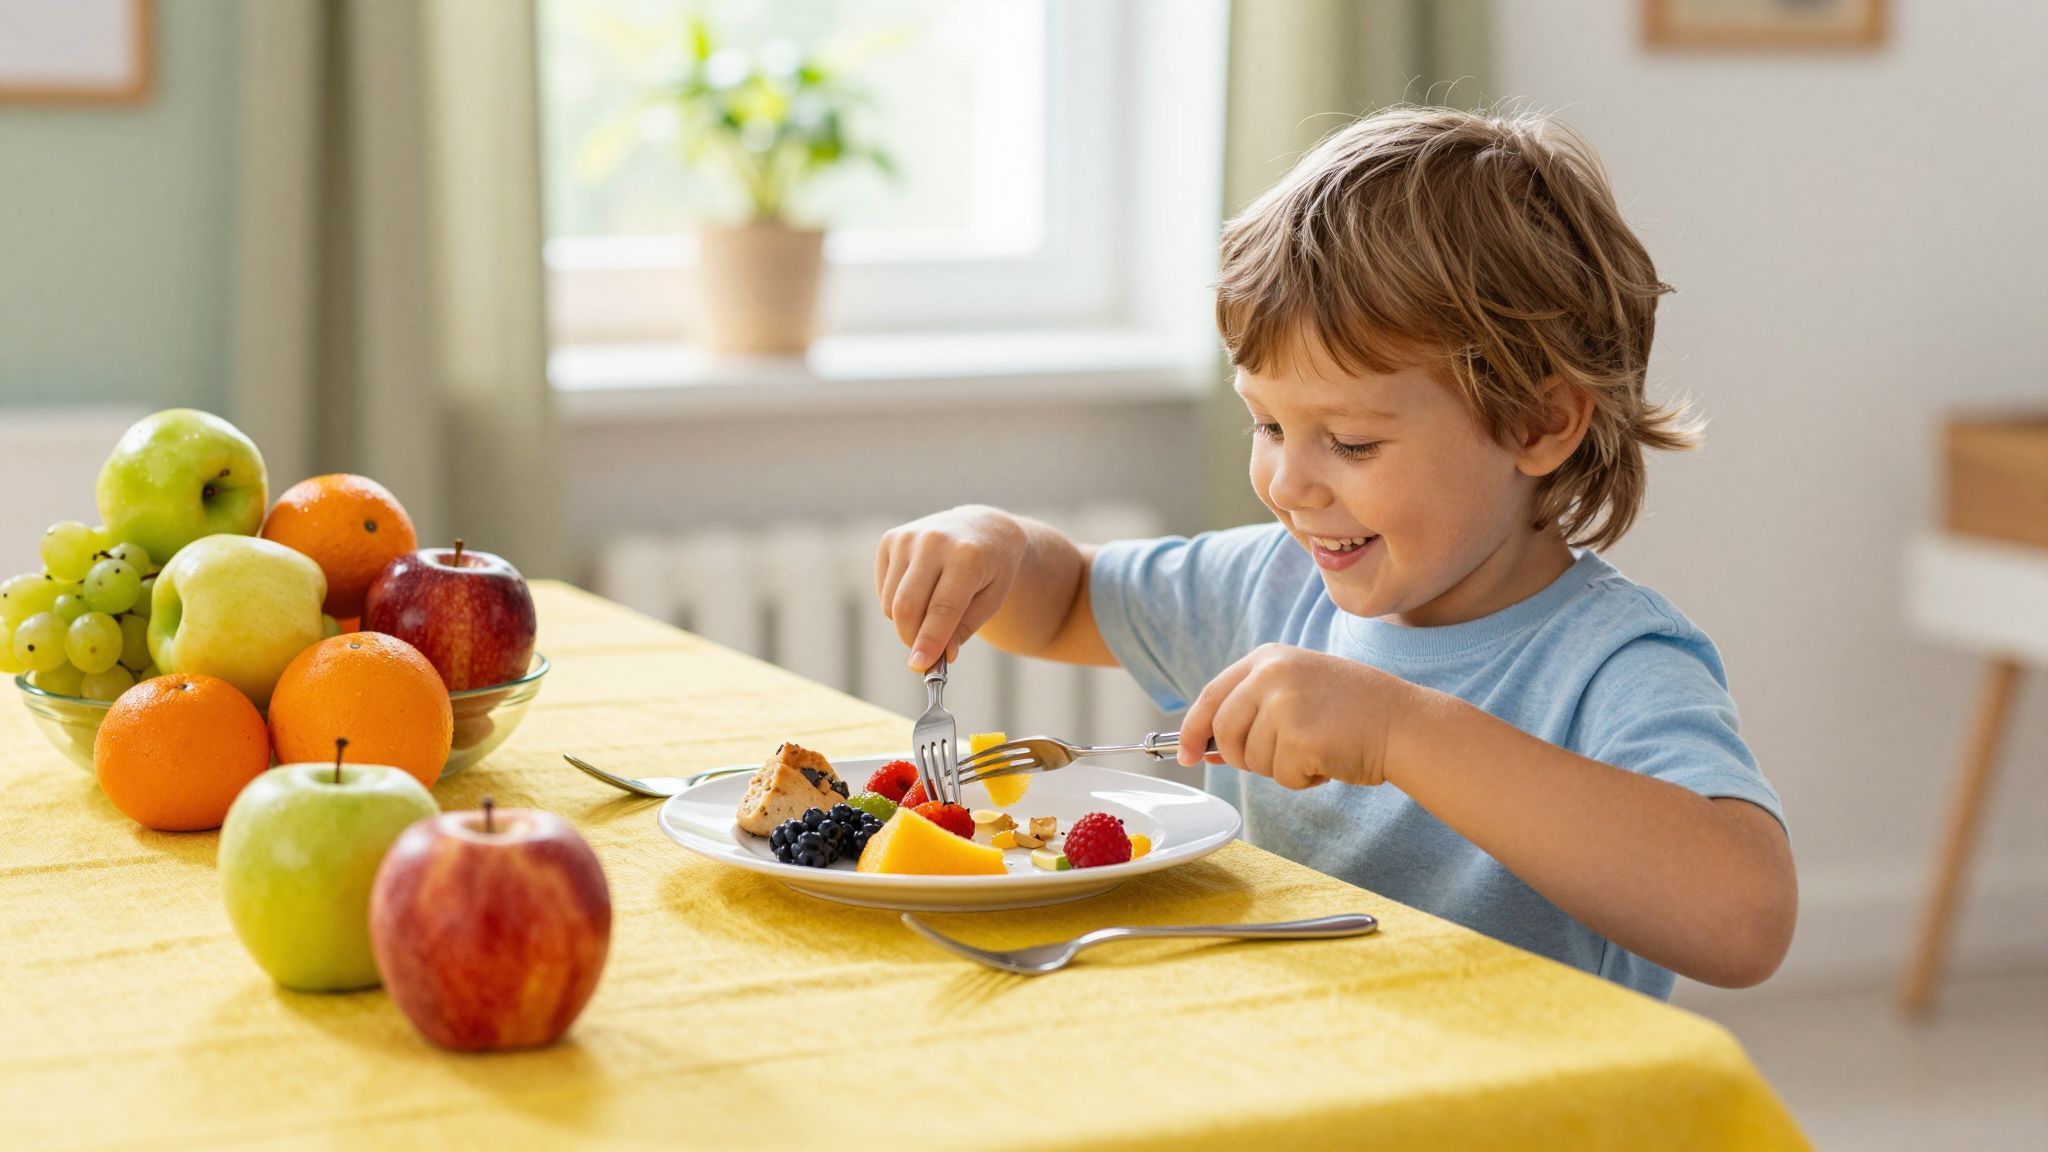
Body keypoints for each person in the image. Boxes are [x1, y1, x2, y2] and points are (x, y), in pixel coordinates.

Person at [873, 106, 1795, 998]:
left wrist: (1400, 731)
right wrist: (995, 544)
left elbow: (1744, 921)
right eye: (1268, 424)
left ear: (1538, 423)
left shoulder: (1613, 662)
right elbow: (1066, 602)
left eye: (1351, 443)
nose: (1288, 484)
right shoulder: (1269, 586)